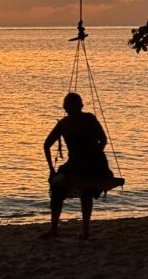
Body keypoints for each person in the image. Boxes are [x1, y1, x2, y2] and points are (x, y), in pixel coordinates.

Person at [42, 92, 123, 239]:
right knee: (59, 187)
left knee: (84, 188)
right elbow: (46, 145)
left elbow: (103, 140)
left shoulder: (80, 121)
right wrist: (51, 170)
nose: (71, 110)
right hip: (85, 164)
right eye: (70, 107)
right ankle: (57, 228)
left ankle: (77, 230)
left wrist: (94, 156)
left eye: (72, 107)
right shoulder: (70, 123)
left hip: (90, 165)